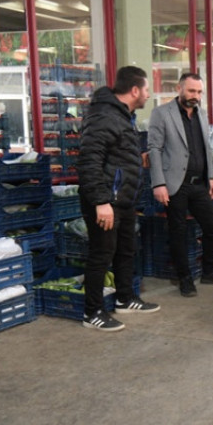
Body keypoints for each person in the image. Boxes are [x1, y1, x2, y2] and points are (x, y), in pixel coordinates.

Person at [77, 66, 160, 331]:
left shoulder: (123, 116)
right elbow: (89, 161)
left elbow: (114, 156)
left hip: (123, 200)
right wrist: (101, 202)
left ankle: (124, 298)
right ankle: (92, 313)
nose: (149, 94)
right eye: (147, 89)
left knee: (126, 250)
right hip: (106, 202)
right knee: (101, 255)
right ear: (135, 90)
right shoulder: (104, 115)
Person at [148, 73, 213, 297]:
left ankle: (208, 271)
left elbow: (206, 148)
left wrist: (212, 176)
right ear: (179, 88)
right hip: (174, 184)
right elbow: (154, 149)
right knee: (177, 232)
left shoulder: (201, 113)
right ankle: (184, 278)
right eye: (191, 91)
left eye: (199, 92)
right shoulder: (161, 113)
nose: (195, 96)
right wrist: (158, 183)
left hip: (199, 184)